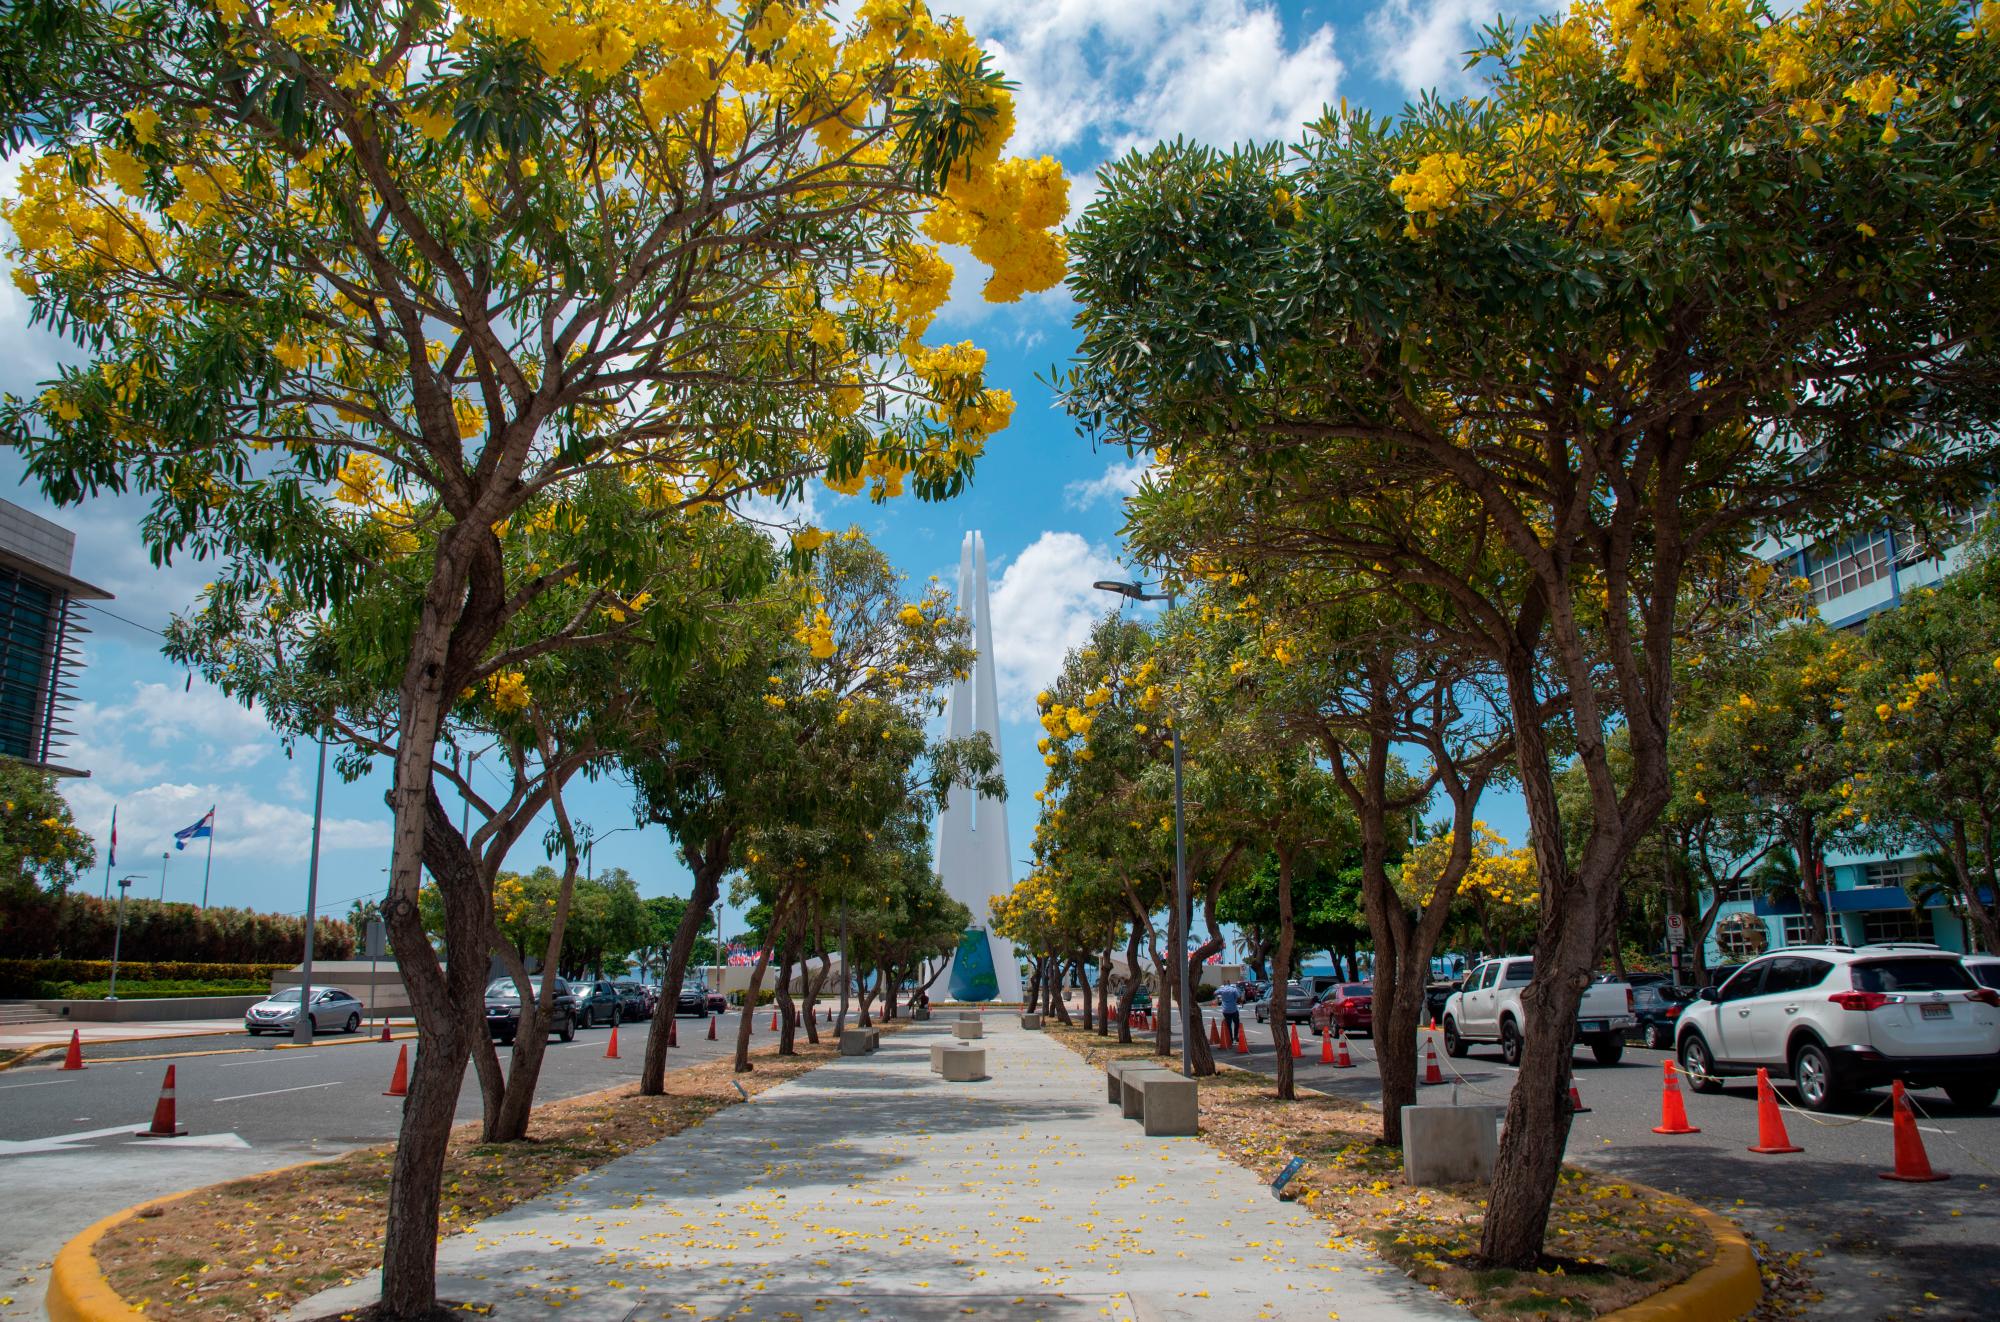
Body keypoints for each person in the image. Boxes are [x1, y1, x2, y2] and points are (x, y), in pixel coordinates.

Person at [1217, 980, 1241, 1046]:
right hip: (1233, 1009)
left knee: (1228, 1025)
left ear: (1224, 984)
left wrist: (1221, 995)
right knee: (1236, 1023)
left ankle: (1230, 1038)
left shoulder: (1222, 989)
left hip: (1225, 1010)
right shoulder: (1233, 989)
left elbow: (1215, 993)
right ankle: (1236, 1037)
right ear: (1229, 983)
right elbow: (1238, 996)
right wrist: (1236, 999)